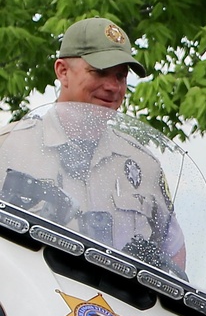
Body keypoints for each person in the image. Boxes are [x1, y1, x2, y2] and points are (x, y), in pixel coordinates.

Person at [0, 17, 185, 270]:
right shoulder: (9, 147)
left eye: (120, 76)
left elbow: (173, 253)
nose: (112, 87)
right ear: (62, 71)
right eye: (99, 72)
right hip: (33, 306)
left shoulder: (143, 163)